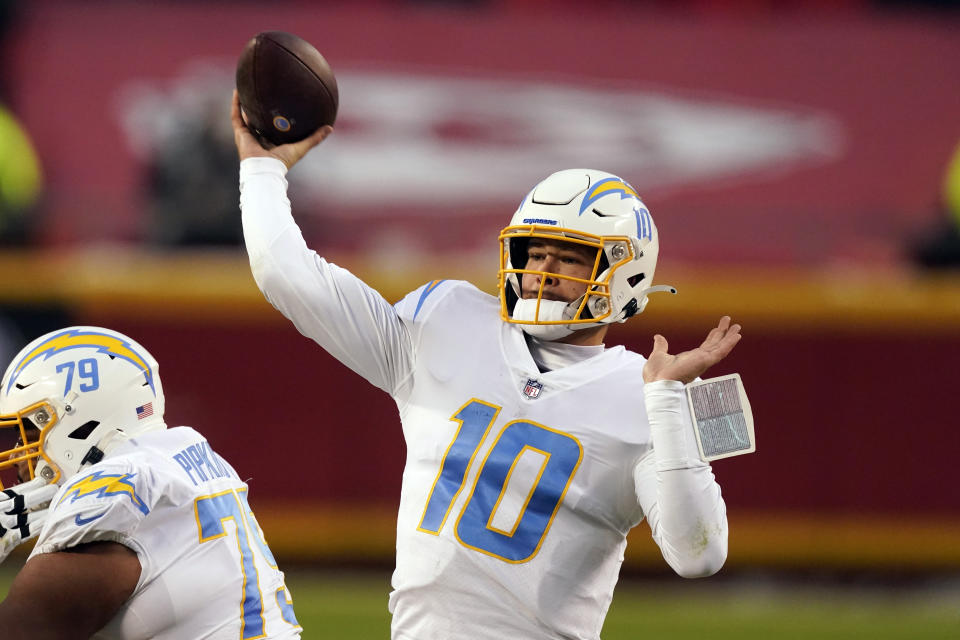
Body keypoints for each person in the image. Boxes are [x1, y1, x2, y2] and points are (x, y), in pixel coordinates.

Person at [232, 89, 741, 639]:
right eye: (532, 252)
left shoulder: (650, 394)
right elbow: (288, 276)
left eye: (569, 257)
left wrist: (666, 402)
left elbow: (700, 554)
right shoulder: (448, 320)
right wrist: (263, 168)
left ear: (627, 276)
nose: (542, 271)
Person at [0, 326, 302, 639]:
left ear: (81, 422)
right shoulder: (178, 456)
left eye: (31, 434)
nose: (21, 459)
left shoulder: (114, 491)